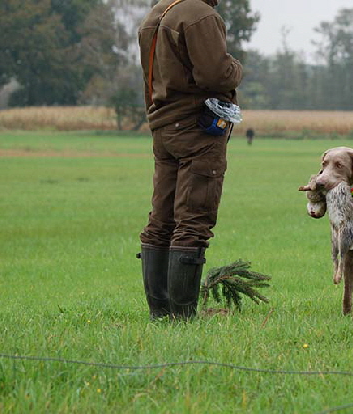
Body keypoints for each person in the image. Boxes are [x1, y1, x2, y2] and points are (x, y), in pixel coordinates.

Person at [137, 0, 242, 320]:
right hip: (197, 130)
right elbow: (216, 75)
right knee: (193, 221)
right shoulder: (199, 15)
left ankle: (161, 314)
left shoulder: (154, 15)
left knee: (161, 220)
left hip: (164, 126)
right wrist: (238, 67)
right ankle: (183, 317)